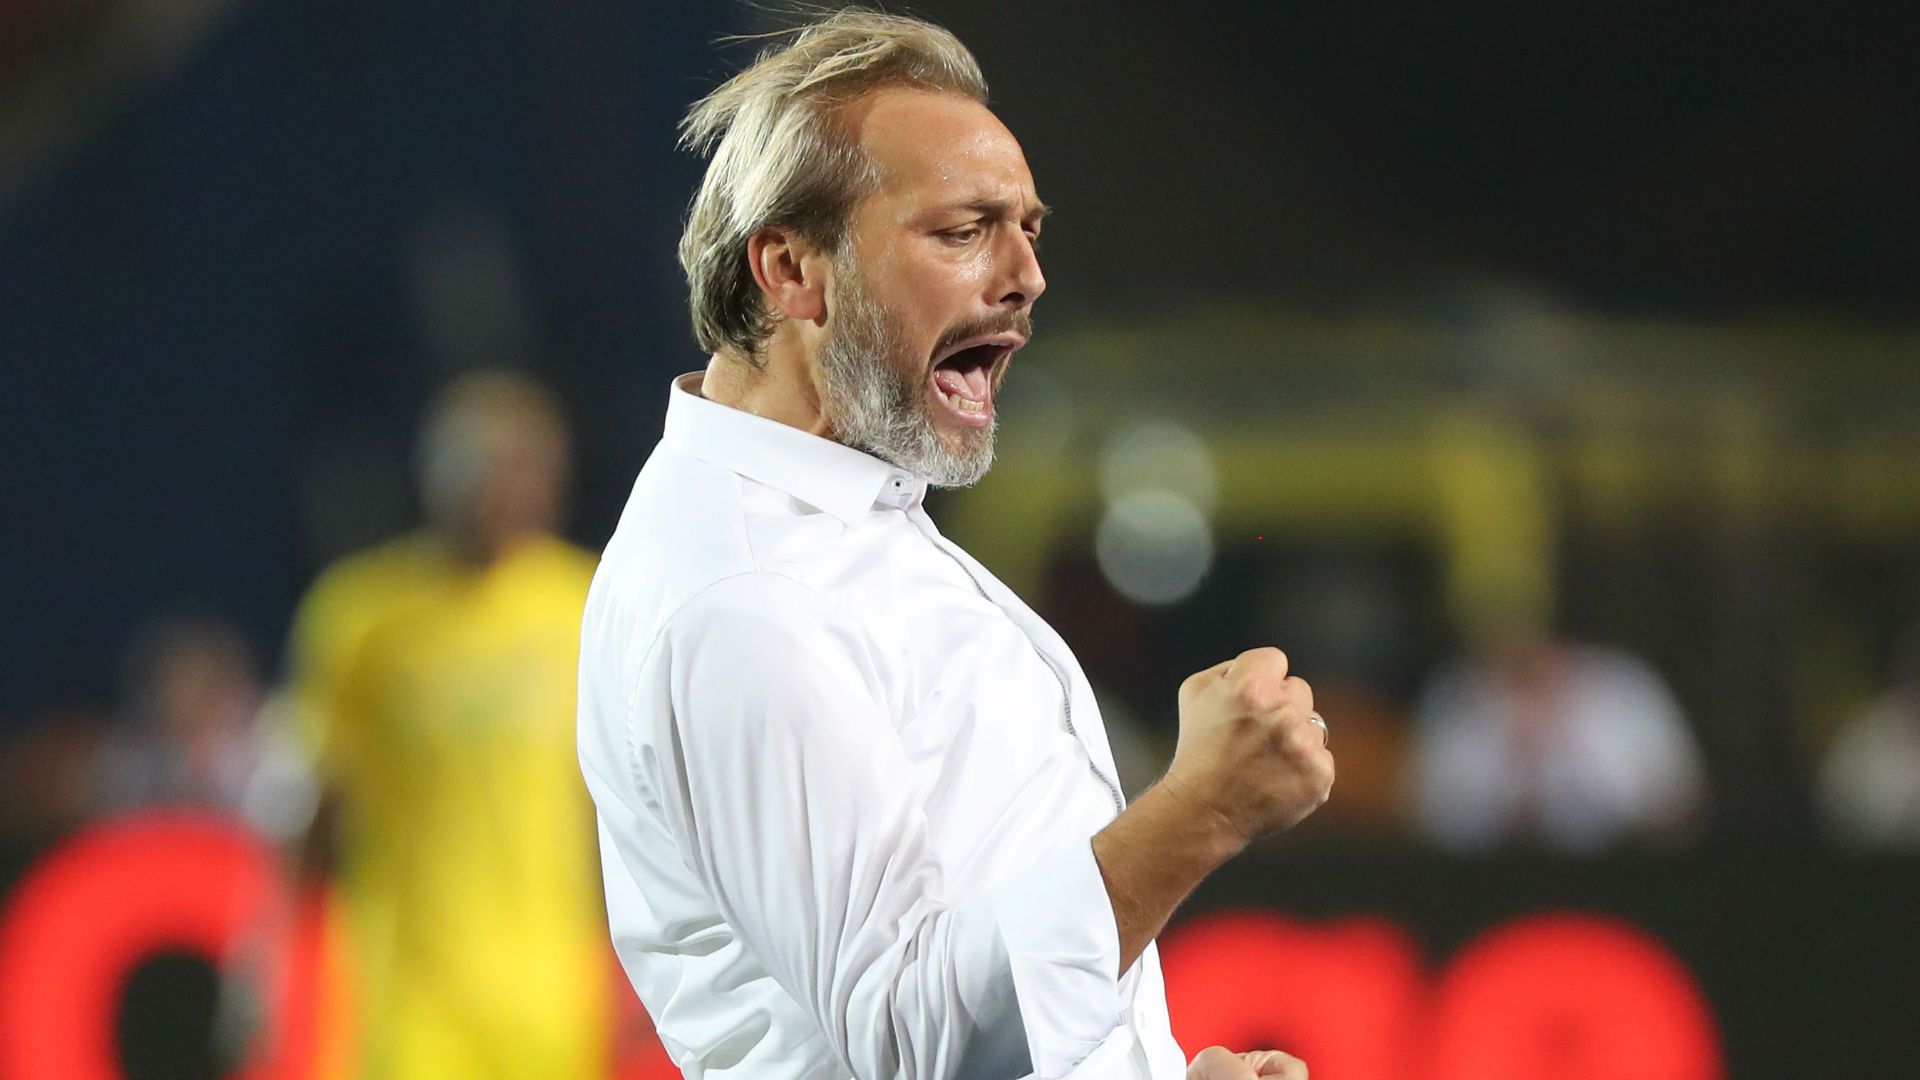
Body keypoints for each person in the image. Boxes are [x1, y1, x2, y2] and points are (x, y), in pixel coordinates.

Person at [576, 11, 1333, 1080]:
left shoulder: (839, 518)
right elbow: (909, 1035)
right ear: (794, 271)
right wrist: (1202, 807)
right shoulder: (743, 593)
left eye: (1029, 228)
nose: (1026, 275)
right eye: (963, 230)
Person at [281, 371, 607, 1078]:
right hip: (409, 1000)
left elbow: (623, 809)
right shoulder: (360, 616)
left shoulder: (592, 606)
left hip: (551, 996)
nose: (504, 487)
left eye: (526, 466)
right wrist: (271, 954)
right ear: (434, 474)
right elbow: (315, 804)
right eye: (483, 466)